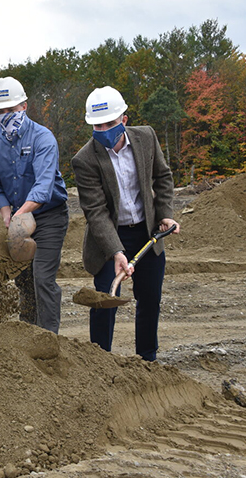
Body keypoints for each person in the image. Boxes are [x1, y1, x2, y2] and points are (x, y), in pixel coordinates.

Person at [71, 86, 180, 361]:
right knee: (105, 302)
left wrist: (165, 213)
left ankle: (148, 359)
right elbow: (95, 212)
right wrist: (117, 252)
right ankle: (101, 361)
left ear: (124, 120)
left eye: (109, 123)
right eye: (97, 125)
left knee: (150, 299)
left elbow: (163, 177)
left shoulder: (146, 138)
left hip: (146, 231)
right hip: (109, 235)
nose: (103, 129)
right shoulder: (84, 159)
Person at [0, 77, 69, 332]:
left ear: (24, 106)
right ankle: (28, 332)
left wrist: (20, 214)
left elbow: (44, 186)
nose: (5, 115)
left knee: (42, 276)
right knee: (24, 278)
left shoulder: (43, 138)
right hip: (18, 216)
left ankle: (49, 337)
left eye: (11, 109)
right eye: (0, 111)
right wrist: (6, 212)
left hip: (49, 215)